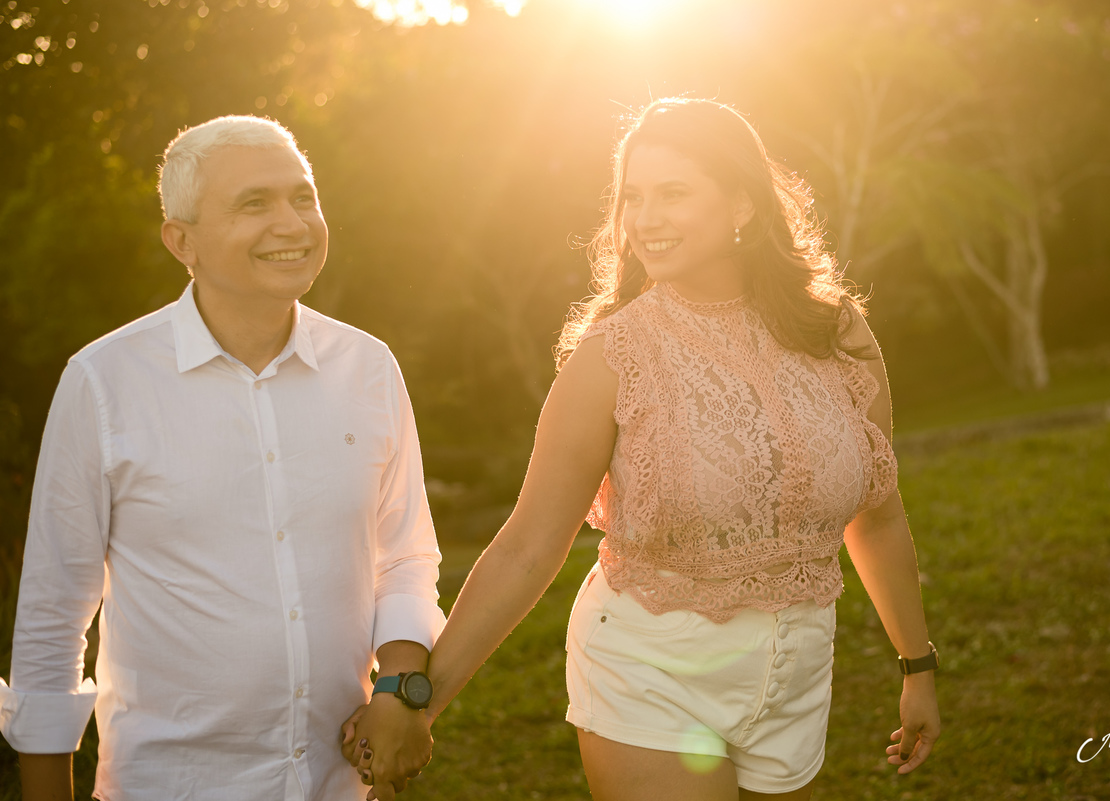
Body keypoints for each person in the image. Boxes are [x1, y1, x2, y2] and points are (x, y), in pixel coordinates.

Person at [356, 98, 942, 800]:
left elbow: (877, 515)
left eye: (673, 193)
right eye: (633, 196)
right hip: (650, 675)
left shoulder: (837, 333)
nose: (645, 217)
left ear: (742, 207)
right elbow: (529, 544)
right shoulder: (611, 357)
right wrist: (420, 701)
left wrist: (917, 667)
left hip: (796, 681)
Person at [0, 115, 444, 800]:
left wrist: (399, 687)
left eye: (303, 197)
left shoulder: (369, 367)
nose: (293, 223)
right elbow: (55, 609)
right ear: (183, 241)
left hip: (340, 784)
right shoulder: (104, 382)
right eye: (253, 203)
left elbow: (406, 555)